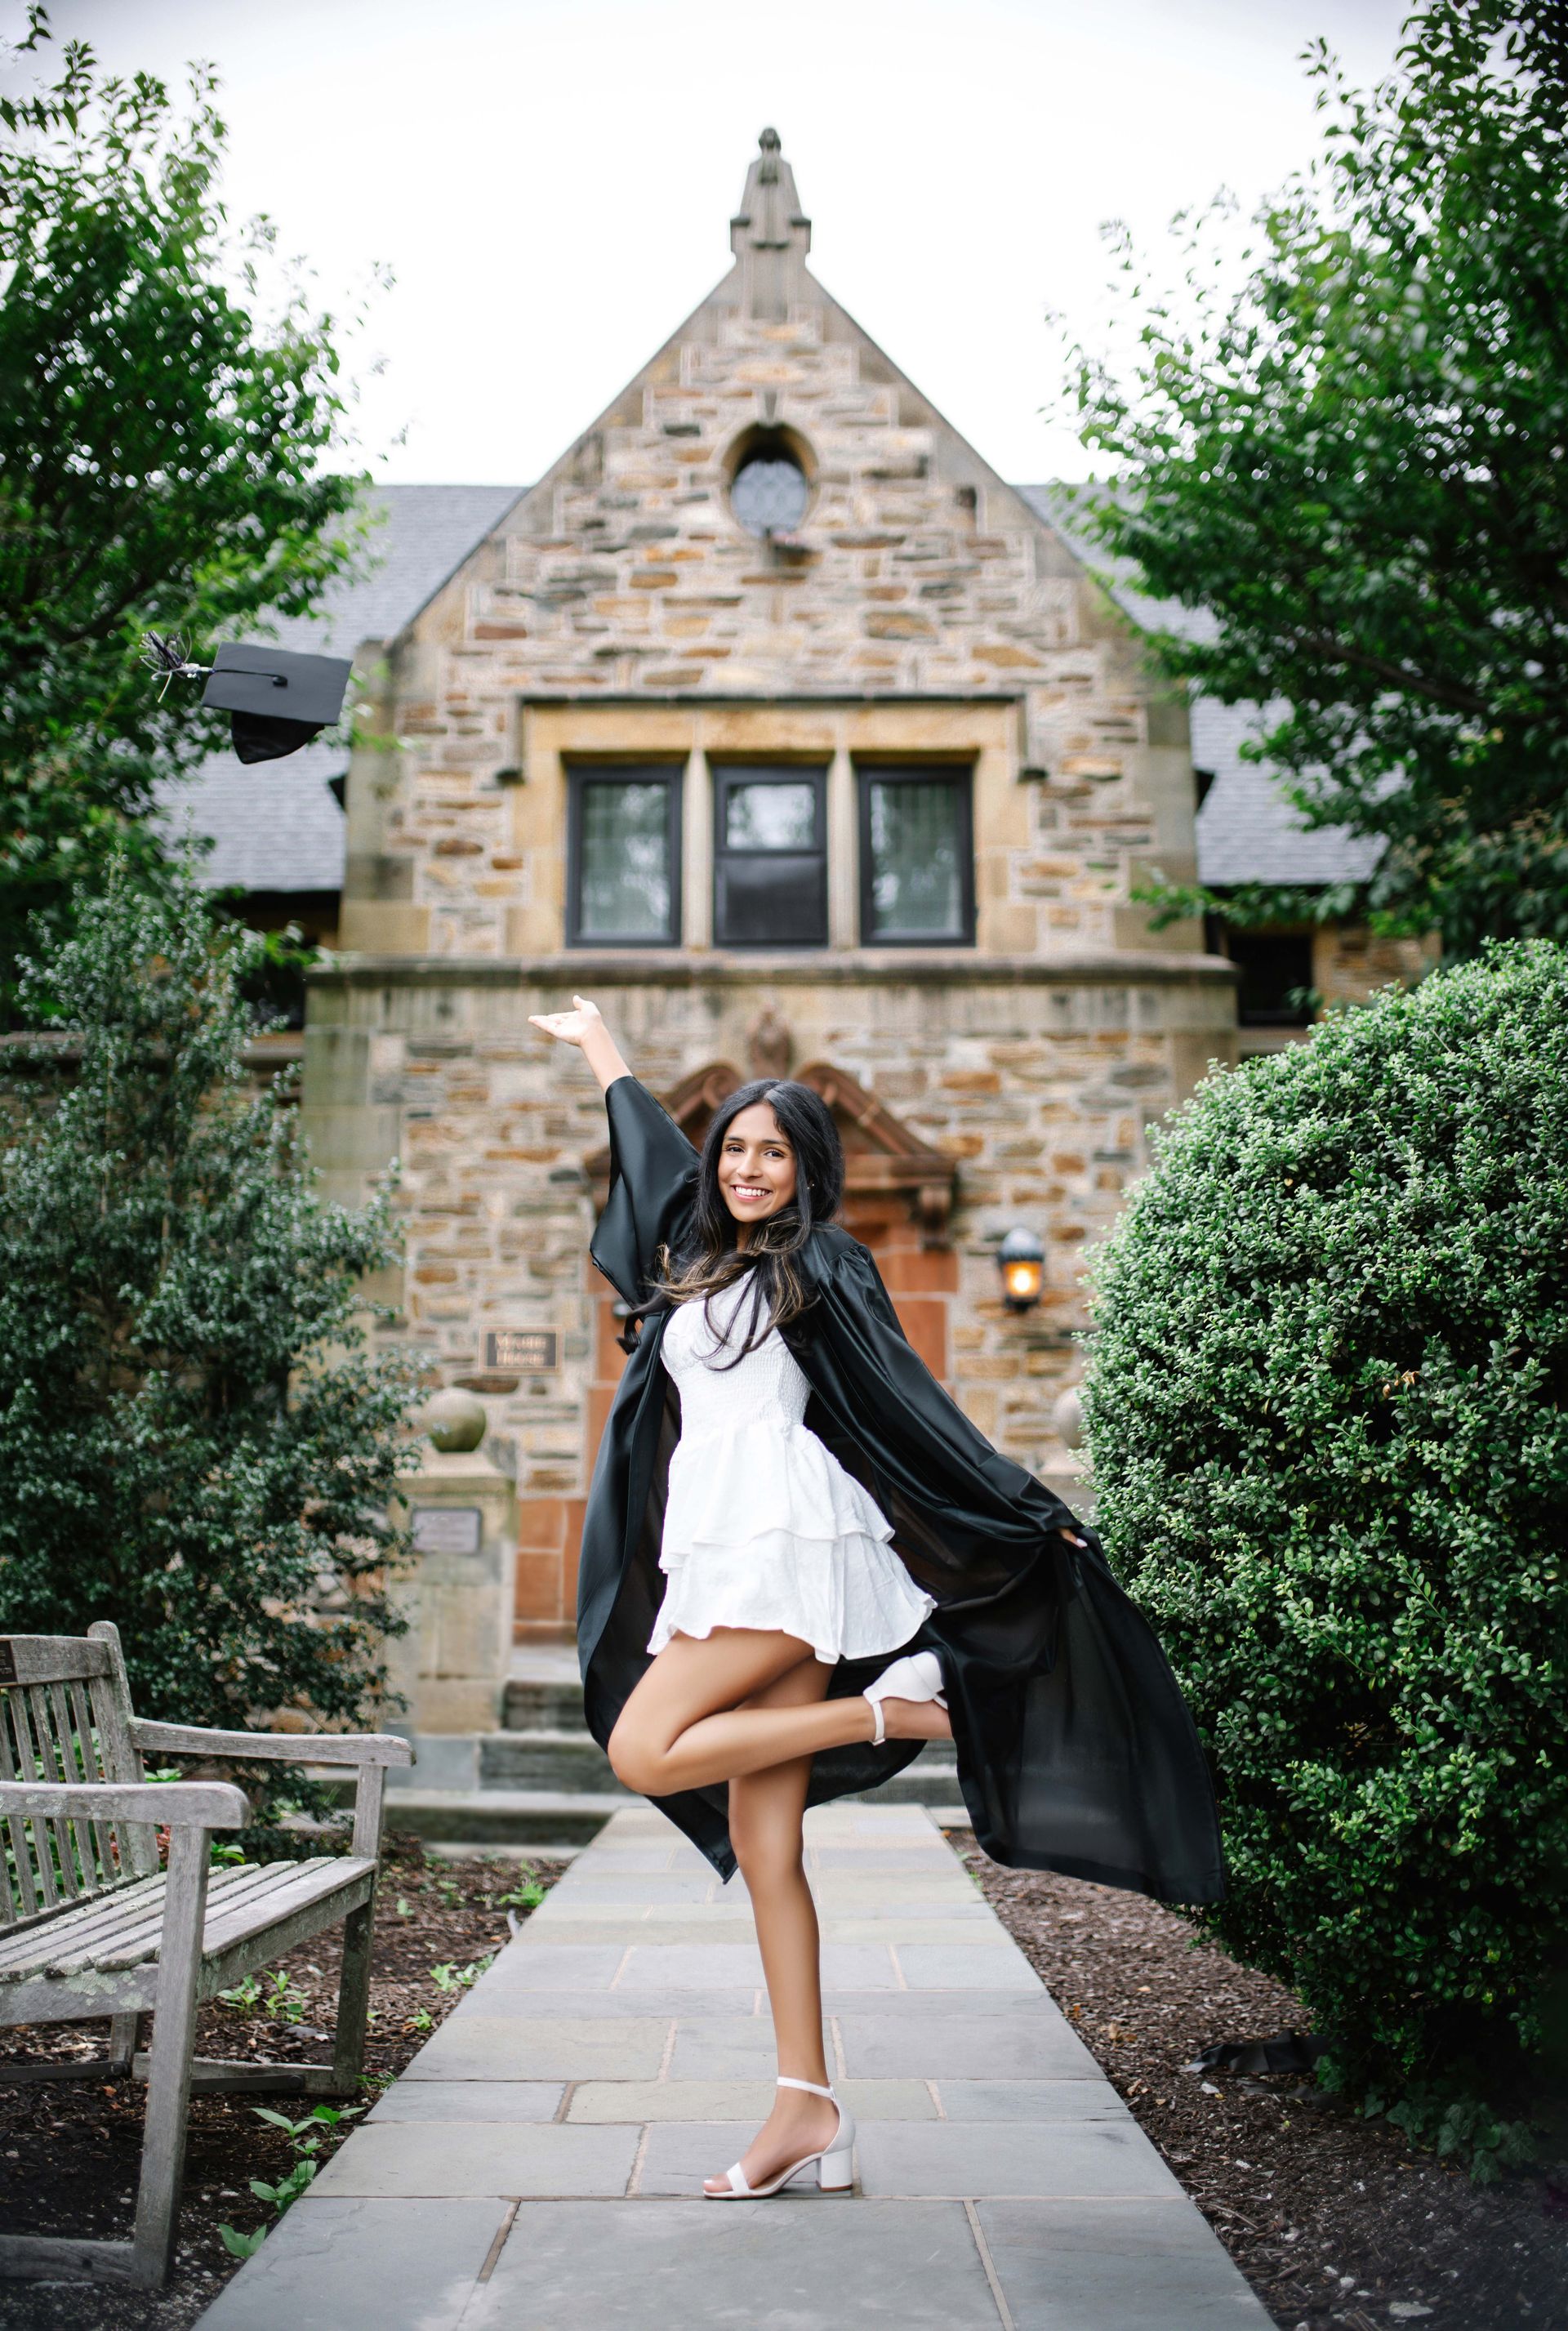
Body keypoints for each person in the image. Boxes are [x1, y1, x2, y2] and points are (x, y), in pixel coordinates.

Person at [530, 996, 1223, 2201]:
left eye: (772, 1152)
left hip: (787, 1551)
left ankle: (892, 1715)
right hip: (724, 1551)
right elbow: (648, 1166)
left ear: (808, 1169)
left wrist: (1022, 1499)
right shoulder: (696, 1258)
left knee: (646, 1747)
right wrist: (603, 1051)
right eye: (734, 1149)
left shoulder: (822, 1267)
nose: (748, 1167)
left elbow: (911, 1402)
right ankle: (809, 2107)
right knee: (767, 1843)